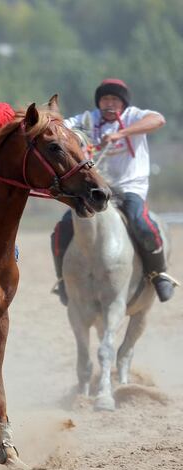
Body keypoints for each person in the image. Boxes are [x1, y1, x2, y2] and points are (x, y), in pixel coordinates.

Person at [51, 78, 175, 303]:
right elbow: (60, 127)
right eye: (105, 99)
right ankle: (63, 281)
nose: (109, 103)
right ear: (99, 102)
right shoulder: (88, 120)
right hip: (95, 189)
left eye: (115, 99)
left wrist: (122, 133)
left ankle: (159, 274)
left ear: (123, 103)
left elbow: (158, 120)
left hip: (129, 187)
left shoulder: (133, 116)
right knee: (63, 227)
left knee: (141, 223)